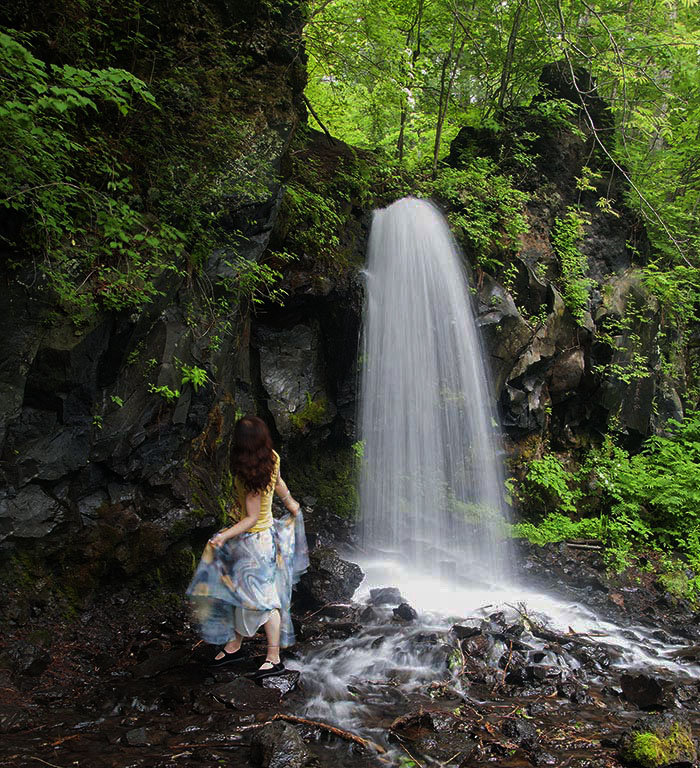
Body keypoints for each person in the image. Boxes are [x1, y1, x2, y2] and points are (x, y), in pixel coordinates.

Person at [186, 415, 309, 678]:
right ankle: (235, 646)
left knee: (263, 601)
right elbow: (279, 484)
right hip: (260, 539)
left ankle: (274, 657)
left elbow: (251, 517)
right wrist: (291, 504)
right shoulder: (272, 458)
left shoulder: (249, 474)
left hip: (255, 543)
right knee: (241, 594)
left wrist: (223, 536)